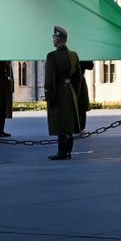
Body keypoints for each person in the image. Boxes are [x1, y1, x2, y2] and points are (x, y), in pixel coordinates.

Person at [44, 26, 82, 161]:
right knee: (69, 123)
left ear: (58, 39)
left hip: (59, 91)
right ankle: (68, 152)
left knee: (60, 122)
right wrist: (74, 93)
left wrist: (50, 97)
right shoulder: (74, 55)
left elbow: (50, 80)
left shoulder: (52, 56)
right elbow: (78, 78)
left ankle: (61, 152)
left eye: (54, 37)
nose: (53, 40)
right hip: (70, 90)